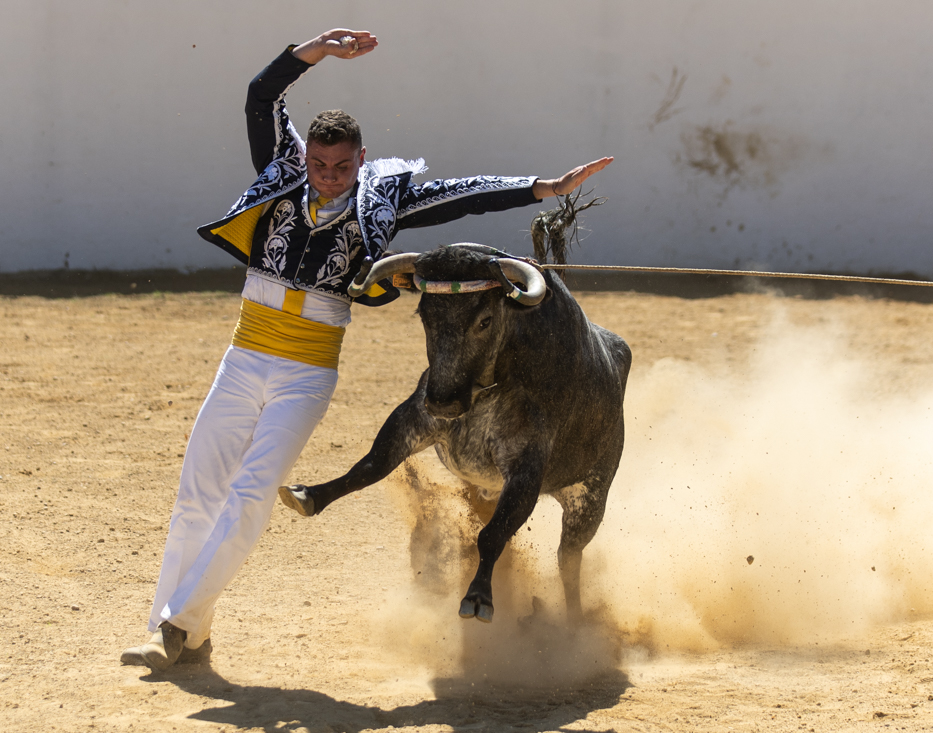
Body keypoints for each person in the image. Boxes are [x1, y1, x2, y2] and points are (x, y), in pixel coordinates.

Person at [121, 28, 613, 670]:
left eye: (341, 167)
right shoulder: (282, 169)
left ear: (361, 158)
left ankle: (173, 629)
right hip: (243, 357)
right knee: (197, 493)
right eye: (320, 166)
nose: (328, 178)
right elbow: (261, 93)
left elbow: (459, 194)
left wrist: (542, 188)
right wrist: (315, 50)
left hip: (304, 370)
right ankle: (185, 628)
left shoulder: (382, 197)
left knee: (249, 492)